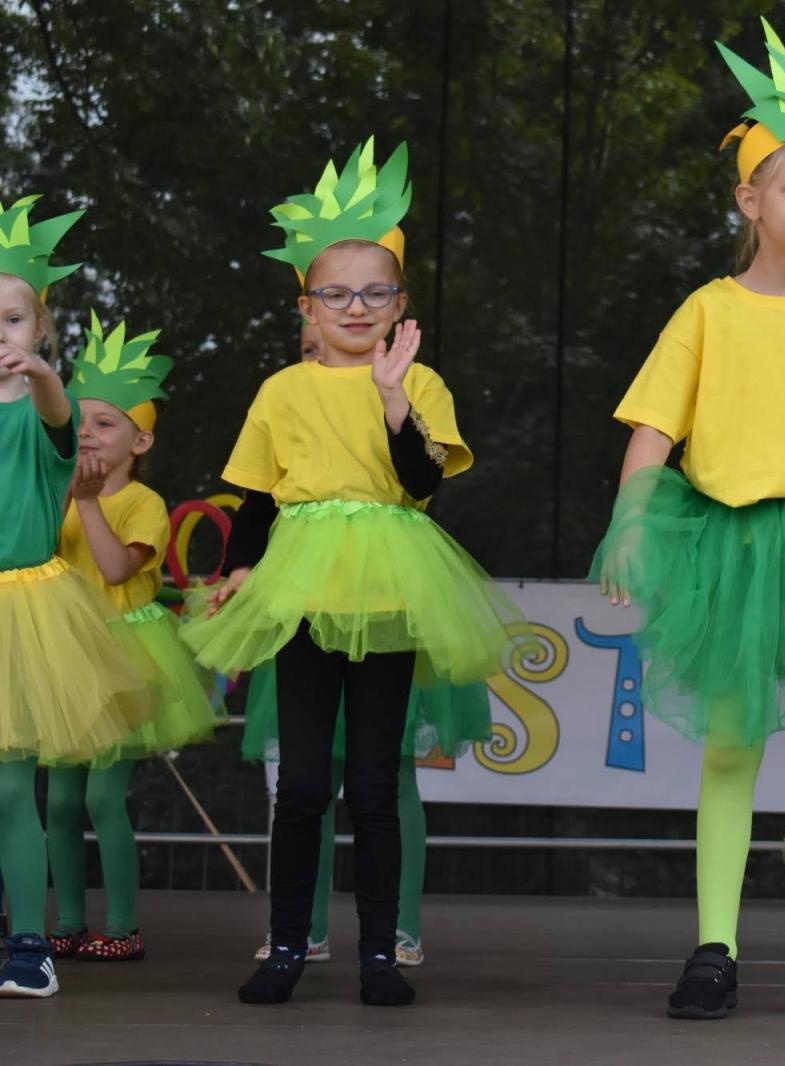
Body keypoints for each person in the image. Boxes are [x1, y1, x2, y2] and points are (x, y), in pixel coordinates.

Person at [590, 17, 785, 1019]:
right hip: (728, 541)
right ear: (749, 199)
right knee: (731, 739)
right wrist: (631, 523)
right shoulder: (706, 312)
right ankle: (714, 946)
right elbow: (651, 433)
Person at [182, 139, 518, 1006]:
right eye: (337, 292)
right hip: (301, 586)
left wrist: (396, 400)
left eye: (375, 292)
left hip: (388, 585)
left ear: (400, 304)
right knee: (301, 784)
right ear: (309, 305)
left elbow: (422, 483)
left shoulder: (421, 382)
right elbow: (255, 497)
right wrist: (238, 570)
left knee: (374, 780)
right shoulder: (281, 391)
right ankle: (286, 948)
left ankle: (378, 955)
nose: (356, 305)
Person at [0, 195, 151, 998]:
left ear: (41, 332)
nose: (1, 333)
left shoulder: (48, 418)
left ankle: (31, 945)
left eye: (15, 319)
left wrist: (45, 377)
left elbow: (60, 417)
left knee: (8, 786)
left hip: (21, 611)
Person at [47, 312, 215, 964]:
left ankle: (121, 925)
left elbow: (117, 568)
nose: (87, 433)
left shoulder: (143, 504)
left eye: (104, 423)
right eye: (79, 421)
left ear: (139, 442)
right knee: (59, 801)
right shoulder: (55, 492)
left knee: (99, 795)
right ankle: (64, 921)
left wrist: (86, 502)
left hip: (125, 654)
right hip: (65, 652)